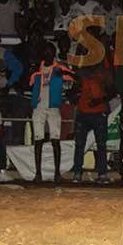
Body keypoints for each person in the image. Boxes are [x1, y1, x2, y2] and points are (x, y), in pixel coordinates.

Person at [29, 42, 74, 186]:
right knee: (38, 141)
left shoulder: (58, 68)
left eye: (49, 52)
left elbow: (76, 78)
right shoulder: (37, 69)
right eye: (45, 52)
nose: (47, 54)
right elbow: (28, 84)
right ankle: (38, 173)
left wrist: (65, 73)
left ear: (53, 53)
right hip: (39, 107)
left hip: (53, 108)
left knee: (55, 140)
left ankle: (56, 174)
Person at [70, 61, 112, 184]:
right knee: (80, 143)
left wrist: (99, 101)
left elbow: (112, 91)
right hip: (84, 112)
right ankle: (78, 172)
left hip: (98, 112)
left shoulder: (103, 73)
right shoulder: (82, 73)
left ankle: (101, 173)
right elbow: (74, 90)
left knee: (100, 144)